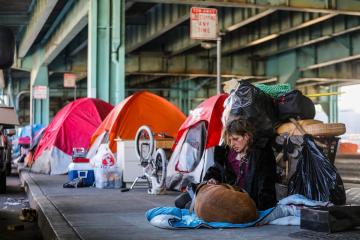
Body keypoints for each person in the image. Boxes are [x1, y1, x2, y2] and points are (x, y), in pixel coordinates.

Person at [175, 119, 277, 211]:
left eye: (235, 139)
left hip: (242, 199)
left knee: (194, 207)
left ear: (247, 137)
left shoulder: (261, 155)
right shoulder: (227, 153)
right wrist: (212, 179)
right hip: (224, 192)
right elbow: (215, 170)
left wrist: (259, 208)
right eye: (229, 140)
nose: (232, 144)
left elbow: (266, 186)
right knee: (180, 201)